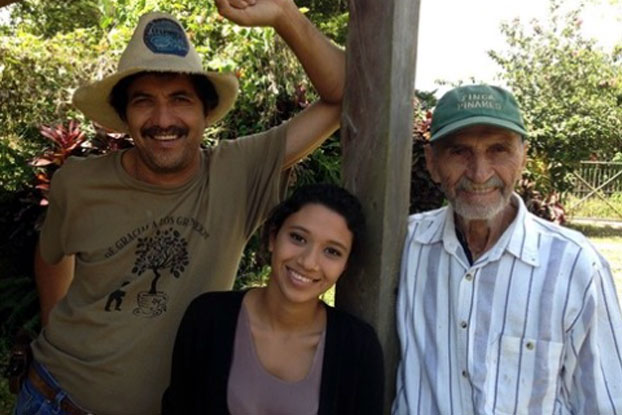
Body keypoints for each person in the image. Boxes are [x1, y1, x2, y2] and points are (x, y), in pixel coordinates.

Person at [18, 1, 346, 414]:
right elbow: (51, 257)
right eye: (143, 101)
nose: (163, 118)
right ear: (123, 114)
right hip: (54, 400)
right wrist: (57, 328)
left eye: (180, 99)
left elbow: (347, 92)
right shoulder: (78, 181)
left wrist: (284, 13)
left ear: (206, 112)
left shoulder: (239, 172)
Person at [392, 84, 622, 415]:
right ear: (432, 162)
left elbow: (605, 402)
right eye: (459, 152)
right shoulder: (406, 245)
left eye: (498, 150)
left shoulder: (576, 266)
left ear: (522, 157)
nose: (480, 173)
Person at [162, 183, 384, 414]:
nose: (308, 262)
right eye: (298, 238)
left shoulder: (358, 348)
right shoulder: (207, 318)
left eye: (332, 251)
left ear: (345, 265)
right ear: (272, 237)